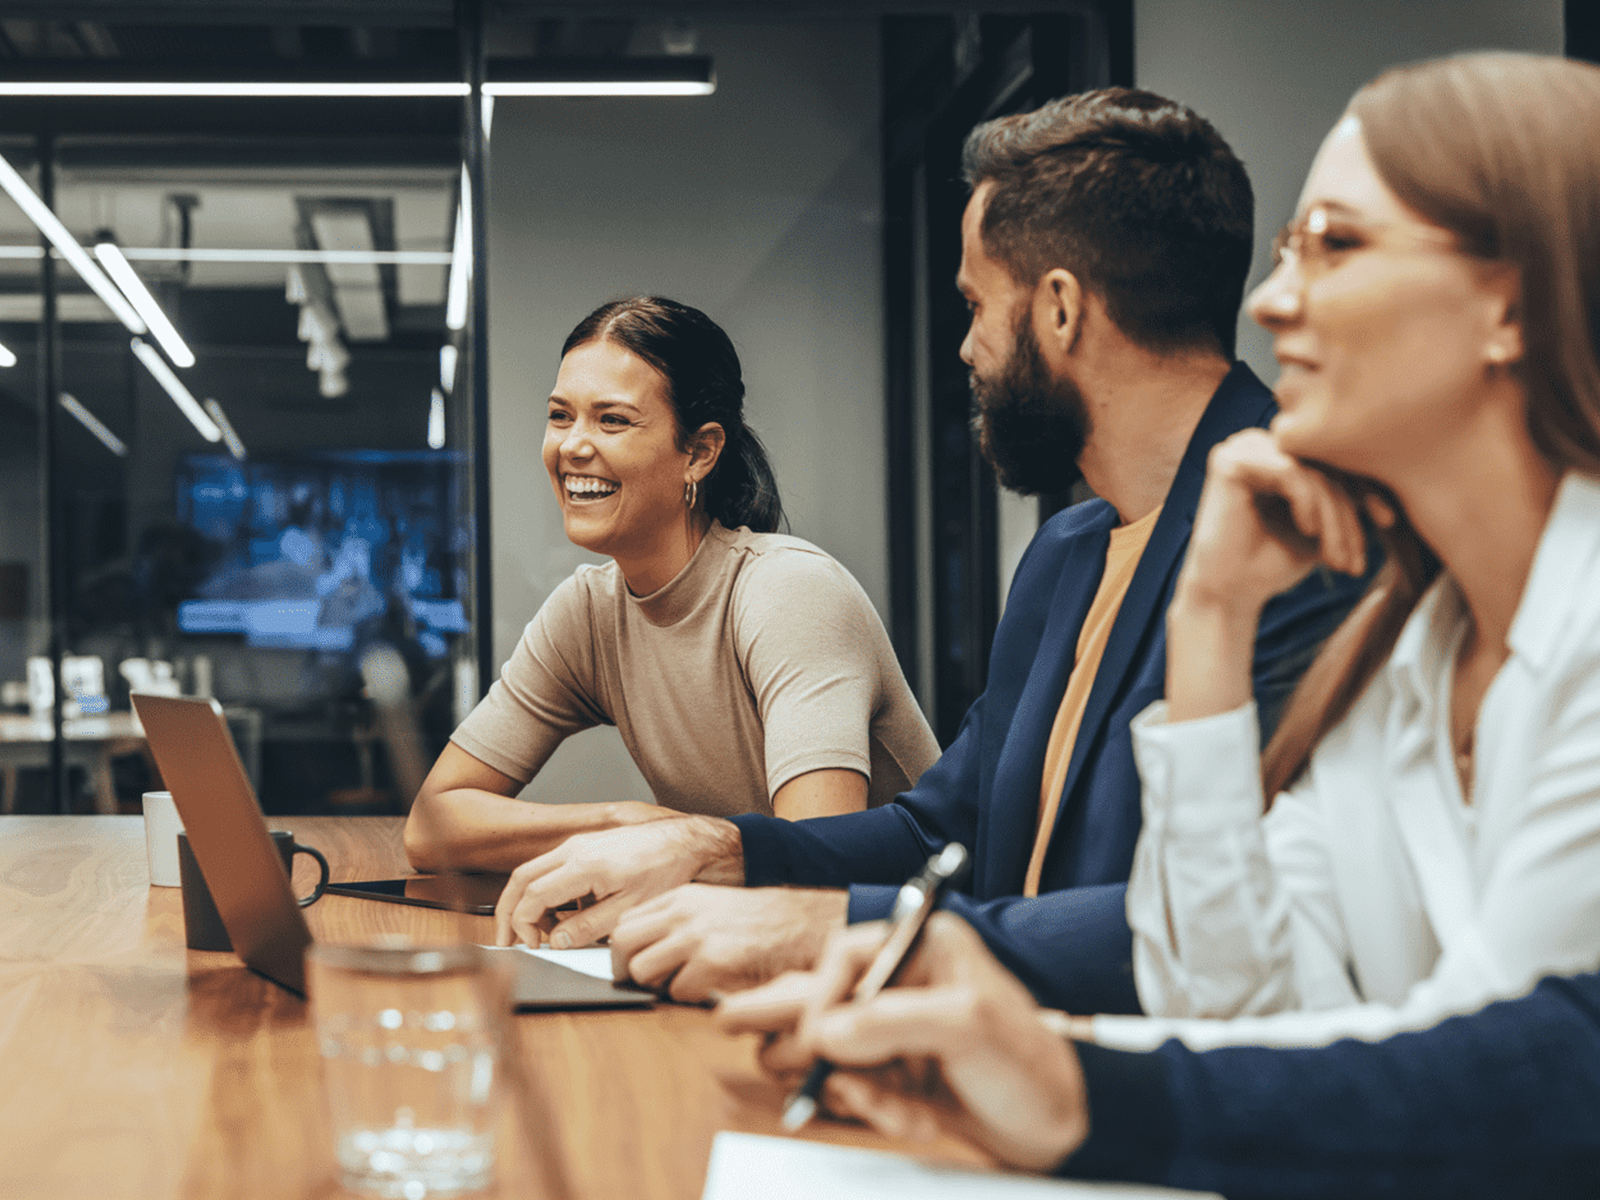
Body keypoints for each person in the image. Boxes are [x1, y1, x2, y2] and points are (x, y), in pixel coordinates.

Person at [490, 90, 1372, 1011]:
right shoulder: (1067, 554)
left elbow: (1215, 924)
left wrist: (831, 928)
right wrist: (720, 851)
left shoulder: (1308, 545)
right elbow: (940, 829)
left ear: (1060, 310)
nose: (965, 348)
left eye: (976, 305)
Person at [1088, 49, 1600, 1052]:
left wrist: (1050, 1070)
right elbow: (1225, 1008)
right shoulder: (1404, 658)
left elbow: (1473, 1088)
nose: (1269, 303)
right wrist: (1210, 617)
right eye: (1287, 249)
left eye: (1335, 245)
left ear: (1510, 303)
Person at [404, 296, 939, 876]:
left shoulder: (789, 591)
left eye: (613, 420)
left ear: (700, 452)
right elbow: (432, 828)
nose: (573, 446)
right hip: (752, 937)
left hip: (904, 945)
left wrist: (667, 845)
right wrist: (622, 823)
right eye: (561, 416)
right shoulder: (588, 613)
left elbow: (813, 868)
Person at [721, 913, 1600, 1200]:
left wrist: (1081, 1083)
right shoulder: (1407, 629)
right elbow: (1234, 978)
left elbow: (1527, 1072)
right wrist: (1056, 1064)